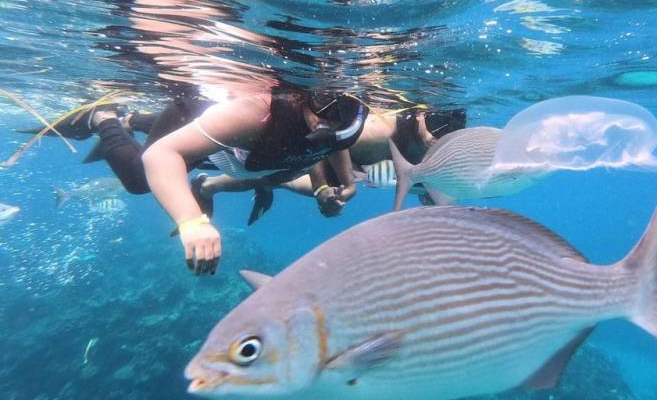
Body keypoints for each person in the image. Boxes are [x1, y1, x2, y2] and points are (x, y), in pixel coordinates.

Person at [37, 87, 368, 275]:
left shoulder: (343, 122)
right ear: (302, 97)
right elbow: (161, 156)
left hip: (239, 153)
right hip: (202, 121)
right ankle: (106, 118)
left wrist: (336, 185)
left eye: (346, 108)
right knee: (141, 179)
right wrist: (190, 221)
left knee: (267, 170)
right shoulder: (254, 113)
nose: (333, 117)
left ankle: (132, 118)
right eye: (325, 103)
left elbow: (336, 143)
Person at [196, 106, 467, 211]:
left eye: (446, 135)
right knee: (274, 177)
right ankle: (207, 184)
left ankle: (209, 185)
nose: (435, 138)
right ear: (420, 116)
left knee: (273, 180)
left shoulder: (446, 154)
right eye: (435, 125)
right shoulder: (378, 132)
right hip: (328, 153)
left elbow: (433, 197)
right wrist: (325, 187)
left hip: (358, 167)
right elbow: (320, 147)